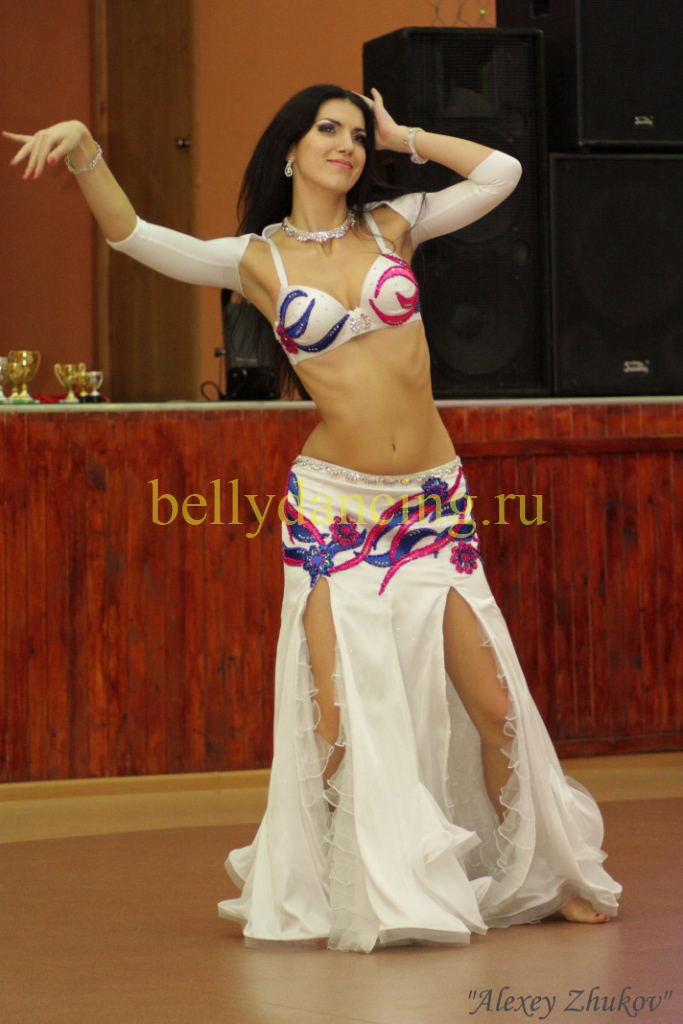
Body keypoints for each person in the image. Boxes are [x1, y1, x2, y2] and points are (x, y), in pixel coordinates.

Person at [4, 84, 622, 953]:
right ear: (289, 150)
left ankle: (546, 875)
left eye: (358, 135)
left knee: (494, 706)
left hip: (432, 503)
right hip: (334, 510)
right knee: (332, 720)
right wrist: (84, 151)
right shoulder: (257, 260)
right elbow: (135, 236)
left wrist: (408, 136)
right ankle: (346, 885)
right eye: (328, 130)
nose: (347, 145)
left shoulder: (395, 225)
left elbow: (502, 175)